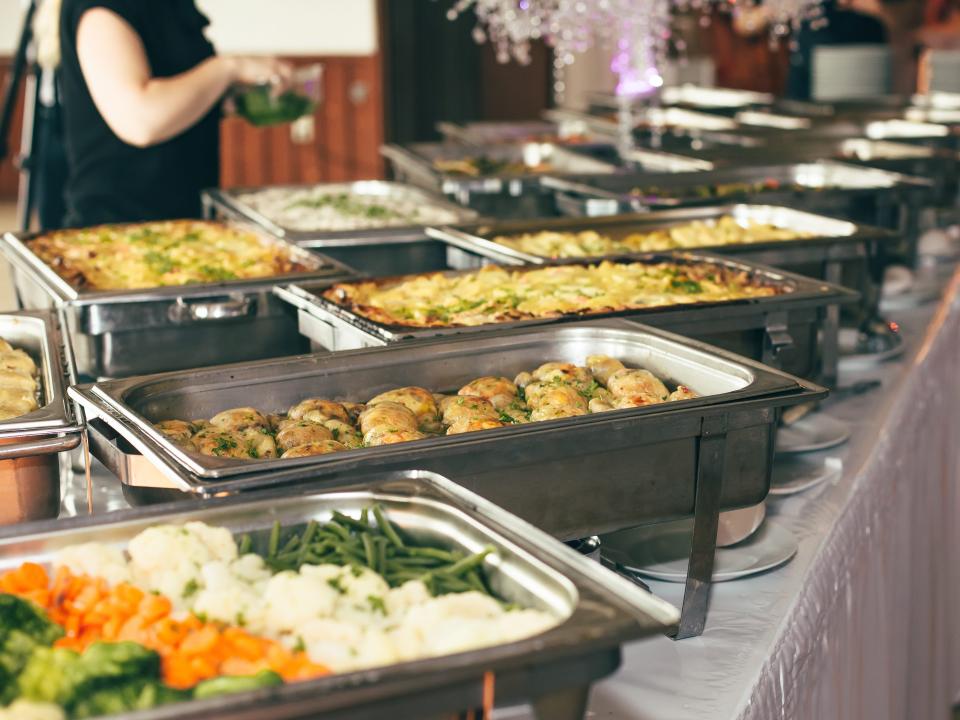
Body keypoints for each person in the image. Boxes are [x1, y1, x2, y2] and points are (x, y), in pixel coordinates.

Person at [57, 0, 292, 226]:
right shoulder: (102, 6)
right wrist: (230, 67)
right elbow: (140, 121)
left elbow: (179, 91)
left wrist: (230, 96)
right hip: (119, 227)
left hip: (184, 216)